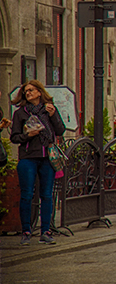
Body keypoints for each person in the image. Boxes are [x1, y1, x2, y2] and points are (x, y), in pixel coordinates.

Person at [9, 80, 65, 245]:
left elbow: (60, 130)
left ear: (40, 92)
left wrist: (54, 114)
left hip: (47, 158)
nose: (28, 93)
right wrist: (29, 135)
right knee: (27, 195)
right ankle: (26, 231)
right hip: (28, 158)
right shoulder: (21, 113)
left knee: (47, 195)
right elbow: (14, 137)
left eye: (31, 90)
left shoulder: (49, 110)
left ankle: (45, 232)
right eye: (26, 91)